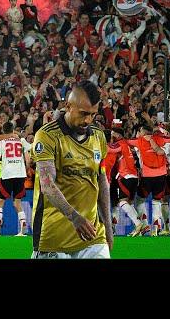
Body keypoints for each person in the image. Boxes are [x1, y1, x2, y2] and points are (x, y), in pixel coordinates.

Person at [30, 80, 112, 259]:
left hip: (93, 236)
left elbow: (101, 182)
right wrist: (74, 217)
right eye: (83, 114)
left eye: (93, 114)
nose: (88, 120)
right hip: (53, 238)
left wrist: (108, 227)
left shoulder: (98, 136)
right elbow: (47, 185)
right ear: (68, 106)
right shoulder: (47, 136)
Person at [126, 124, 168, 236]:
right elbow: (162, 150)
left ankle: (144, 225)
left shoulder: (139, 141)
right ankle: (156, 228)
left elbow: (127, 142)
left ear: (143, 132)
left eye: (140, 131)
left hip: (147, 176)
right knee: (156, 202)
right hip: (161, 175)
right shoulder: (162, 140)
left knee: (139, 200)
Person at [0, 121, 31, 236]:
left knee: (0, 202)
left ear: (3, 131)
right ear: (13, 130)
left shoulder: (1, 142)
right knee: (17, 203)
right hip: (20, 175)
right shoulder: (21, 141)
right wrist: (27, 170)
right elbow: (28, 160)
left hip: (7, 175)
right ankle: (23, 228)